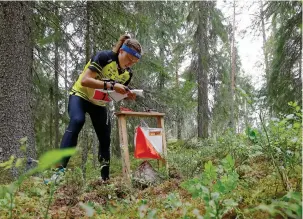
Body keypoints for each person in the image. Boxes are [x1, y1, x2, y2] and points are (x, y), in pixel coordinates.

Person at [51, 34, 142, 182]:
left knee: (105, 138)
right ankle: (58, 172)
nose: (130, 63)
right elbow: (86, 80)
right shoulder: (104, 57)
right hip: (80, 95)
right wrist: (112, 85)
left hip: (99, 103)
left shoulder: (127, 74)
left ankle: (105, 179)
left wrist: (127, 94)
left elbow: (116, 91)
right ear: (121, 51)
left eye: (134, 62)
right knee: (77, 120)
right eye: (129, 59)